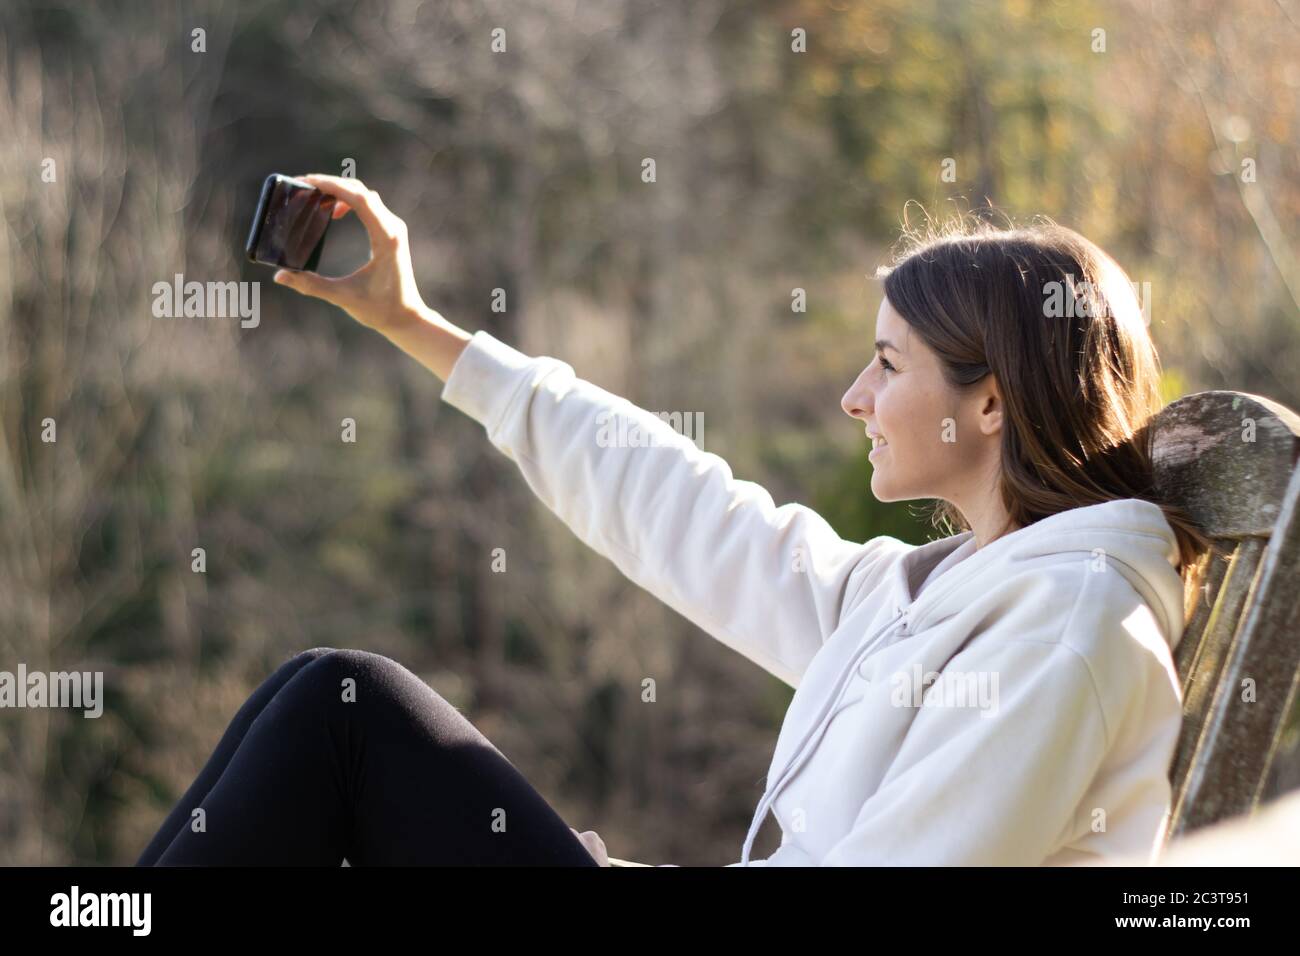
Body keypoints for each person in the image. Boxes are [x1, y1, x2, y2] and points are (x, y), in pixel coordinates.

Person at [140, 174, 1208, 865]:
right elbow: (688, 511)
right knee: (313, 692)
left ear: (989, 399)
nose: (854, 397)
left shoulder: (1064, 634)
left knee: (342, 705)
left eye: (886, 364)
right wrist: (415, 324)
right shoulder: (941, 592)